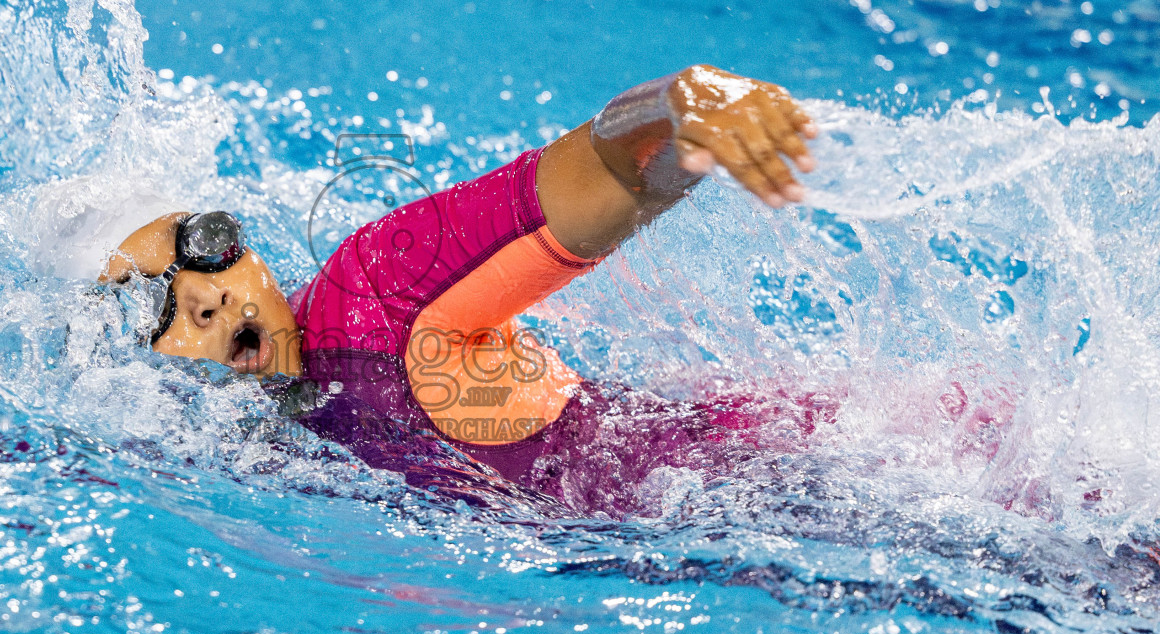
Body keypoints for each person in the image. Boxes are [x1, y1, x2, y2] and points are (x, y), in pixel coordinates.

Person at [99, 65, 827, 514]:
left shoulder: (375, 289)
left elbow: (614, 170)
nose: (205, 296)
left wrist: (688, 102)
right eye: (150, 302)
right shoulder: (222, 444)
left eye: (206, 246)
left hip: (795, 479)